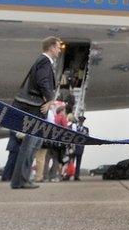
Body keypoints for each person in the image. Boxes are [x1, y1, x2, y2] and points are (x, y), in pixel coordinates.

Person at [9, 36, 61, 189]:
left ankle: (19, 180)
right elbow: (42, 81)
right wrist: (50, 100)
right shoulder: (45, 61)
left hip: (35, 107)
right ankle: (22, 180)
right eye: (58, 47)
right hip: (35, 108)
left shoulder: (42, 61)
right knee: (30, 146)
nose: (59, 50)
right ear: (51, 47)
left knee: (32, 145)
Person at [71, 116, 88, 180]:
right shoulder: (74, 128)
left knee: (78, 163)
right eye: (80, 120)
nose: (81, 122)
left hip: (80, 148)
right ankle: (68, 174)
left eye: (82, 121)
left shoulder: (86, 129)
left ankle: (76, 176)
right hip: (73, 147)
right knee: (71, 162)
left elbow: (87, 138)